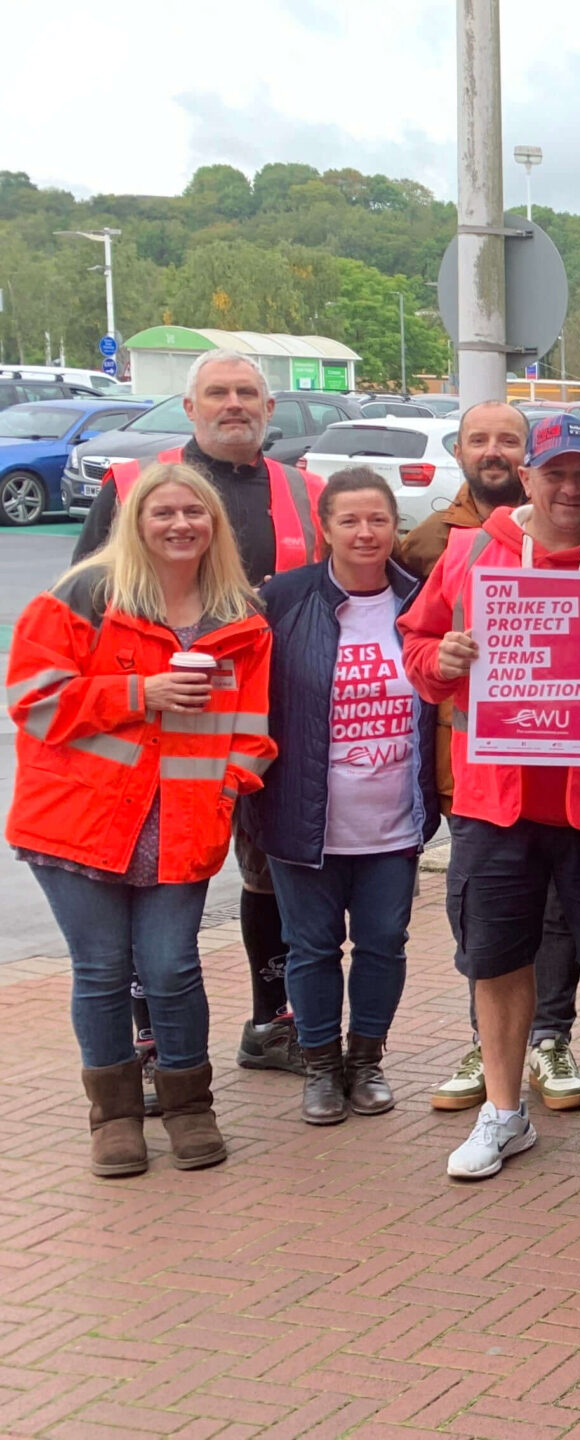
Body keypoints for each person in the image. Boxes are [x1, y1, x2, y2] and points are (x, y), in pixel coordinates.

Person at [400, 414, 580, 1180]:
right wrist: (445, 658)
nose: (569, 487)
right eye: (554, 472)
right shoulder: (468, 555)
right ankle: (504, 1112)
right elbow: (417, 647)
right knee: (495, 960)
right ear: (527, 477)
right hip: (497, 799)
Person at [14, 461, 274, 1175]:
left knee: (170, 968)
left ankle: (189, 1107)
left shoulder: (240, 614)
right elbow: (34, 701)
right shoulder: (84, 595)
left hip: (183, 823)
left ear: (215, 524)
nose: (181, 524)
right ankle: (116, 1118)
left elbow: (252, 725)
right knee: (101, 972)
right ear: (135, 522)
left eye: (195, 512)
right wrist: (140, 691)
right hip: (78, 824)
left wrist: (230, 785)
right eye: (163, 513)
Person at [75, 351, 324, 1077]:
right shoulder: (132, 484)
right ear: (189, 408)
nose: (234, 404)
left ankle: (270, 1019)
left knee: (267, 872)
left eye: (248, 393)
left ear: (270, 409)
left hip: (262, 721)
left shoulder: (304, 490)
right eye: (217, 393)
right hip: (155, 724)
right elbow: (88, 606)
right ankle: (150, 1039)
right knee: (145, 882)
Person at [400, 401, 580, 1116]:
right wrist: (440, 658)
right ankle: (491, 1043)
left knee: (561, 920)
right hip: (479, 770)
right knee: (481, 919)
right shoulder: (437, 543)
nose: (494, 452)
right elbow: (416, 645)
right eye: (479, 439)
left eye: (506, 439)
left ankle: (549, 1036)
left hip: (575, 770)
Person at [253, 468, 438, 1126]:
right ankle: (321, 1068)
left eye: (379, 520)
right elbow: (246, 701)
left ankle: (366, 1062)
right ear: (324, 529)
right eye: (350, 521)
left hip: (394, 816)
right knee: (312, 948)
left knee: (386, 942)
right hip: (303, 816)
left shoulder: (422, 600)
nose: (366, 533)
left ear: (396, 527)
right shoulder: (283, 599)